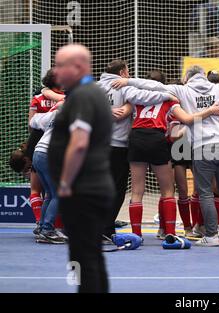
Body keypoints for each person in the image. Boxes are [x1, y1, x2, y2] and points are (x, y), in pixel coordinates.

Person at [111, 65, 219, 247]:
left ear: (187, 77)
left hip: (202, 145)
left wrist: (128, 81)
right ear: (202, 76)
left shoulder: (182, 90)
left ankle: (212, 235)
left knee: (205, 193)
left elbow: (152, 85)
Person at [48, 44, 114, 293]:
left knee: (80, 258)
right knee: (90, 256)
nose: (56, 72)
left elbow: (78, 143)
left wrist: (65, 183)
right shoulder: (88, 93)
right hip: (90, 188)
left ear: (77, 67)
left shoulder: (84, 95)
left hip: (82, 190)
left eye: (60, 65)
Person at [97, 60, 133, 240]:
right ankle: (106, 227)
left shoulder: (94, 87)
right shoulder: (124, 86)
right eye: (127, 71)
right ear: (122, 72)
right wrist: (128, 106)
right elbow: (126, 111)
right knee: (117, 188)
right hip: (118, 145)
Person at [30, 105, 67, 244]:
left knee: (50, 194)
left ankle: (41, 228)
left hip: (38, 153)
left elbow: (33, 120)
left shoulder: (56, 113)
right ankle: (47, 230)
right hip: (49, 155)